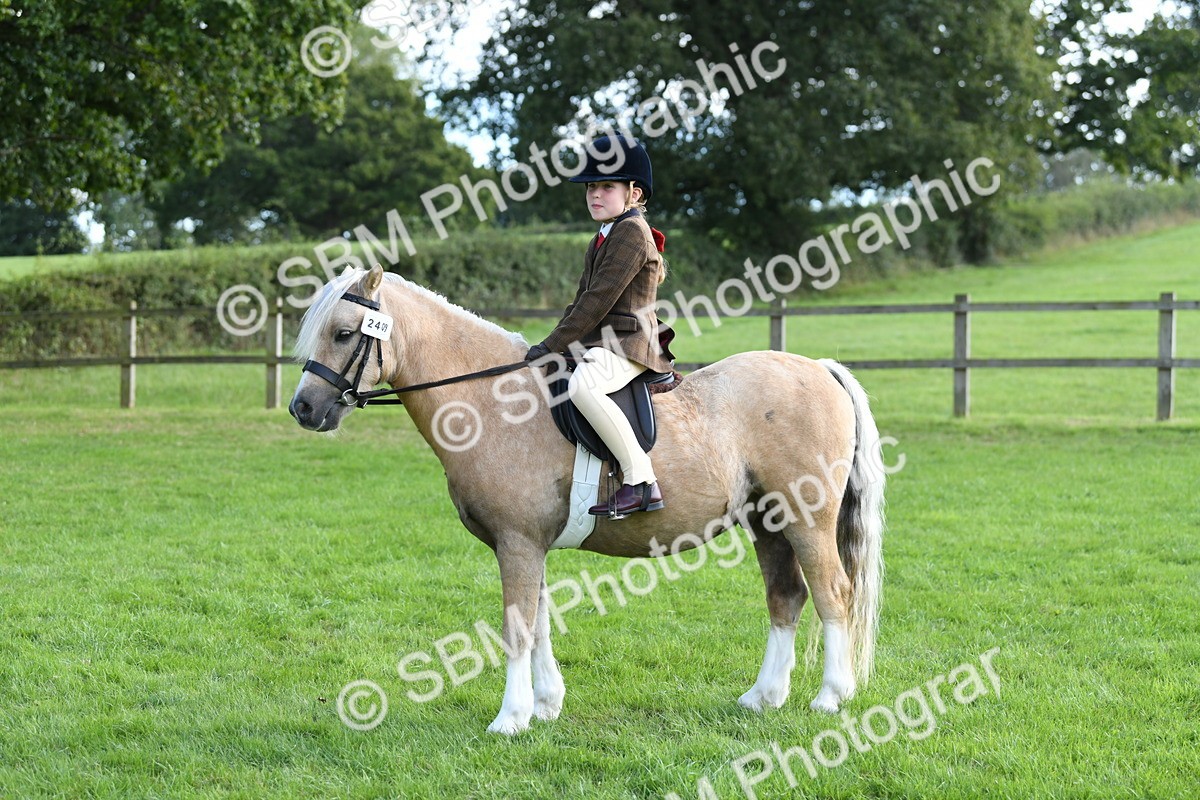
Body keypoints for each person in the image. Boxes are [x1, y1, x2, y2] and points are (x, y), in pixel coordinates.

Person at [524, 135, 674, 517]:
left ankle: (641, 481)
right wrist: (550, 343)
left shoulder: (631, 232)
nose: (595, 194)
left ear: (634, 192)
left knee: (583, 387)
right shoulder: (602, 237)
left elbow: (598, 301)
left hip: (629, 343)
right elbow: (579, 300)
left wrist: (554, 344)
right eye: (591, 186)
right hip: (602, 343)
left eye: (607, 186)